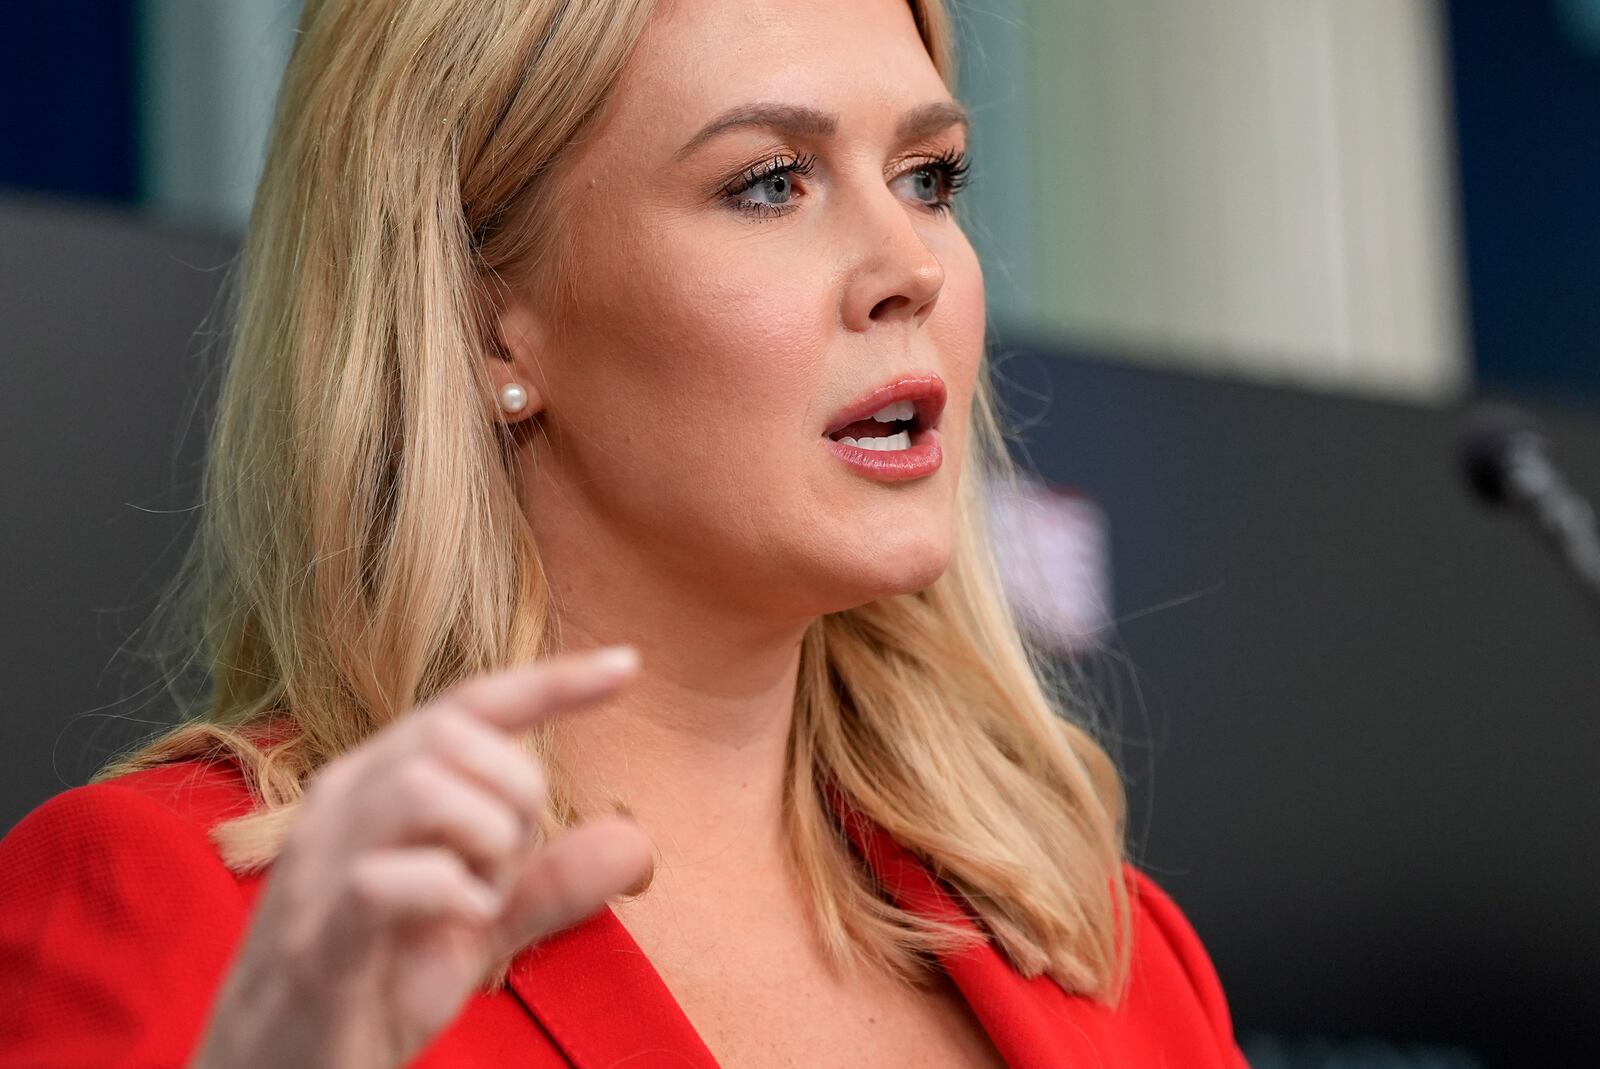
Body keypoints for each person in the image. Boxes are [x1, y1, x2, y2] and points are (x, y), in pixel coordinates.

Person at [0, 0, 1250, 1066]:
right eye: (770, 183)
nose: (909, 264)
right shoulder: (182, 909)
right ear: (490, 316)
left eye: (928, 176)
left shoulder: (1109, 954)